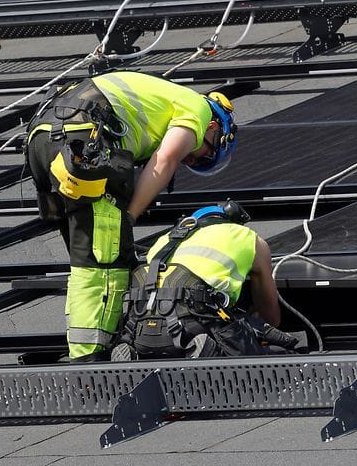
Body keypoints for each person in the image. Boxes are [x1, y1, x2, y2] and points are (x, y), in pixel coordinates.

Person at [24, 70, 238, 362]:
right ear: (214, 127)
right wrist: (129, 216)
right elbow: (165, 160)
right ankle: (91, 361)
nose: (192, 158)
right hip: (83, 142)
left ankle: (83, 348)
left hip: (44, 139)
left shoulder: (162, 100)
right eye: (201, 154)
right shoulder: (198, 110)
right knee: (106, 263)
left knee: (85, 260)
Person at [114, 201, 297, 360]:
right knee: (277, 353)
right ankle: (208, 350)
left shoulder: (163, 241)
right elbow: (271, 316)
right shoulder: (248, 238)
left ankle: (135, 351)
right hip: (193, 324)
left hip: (140, 325)